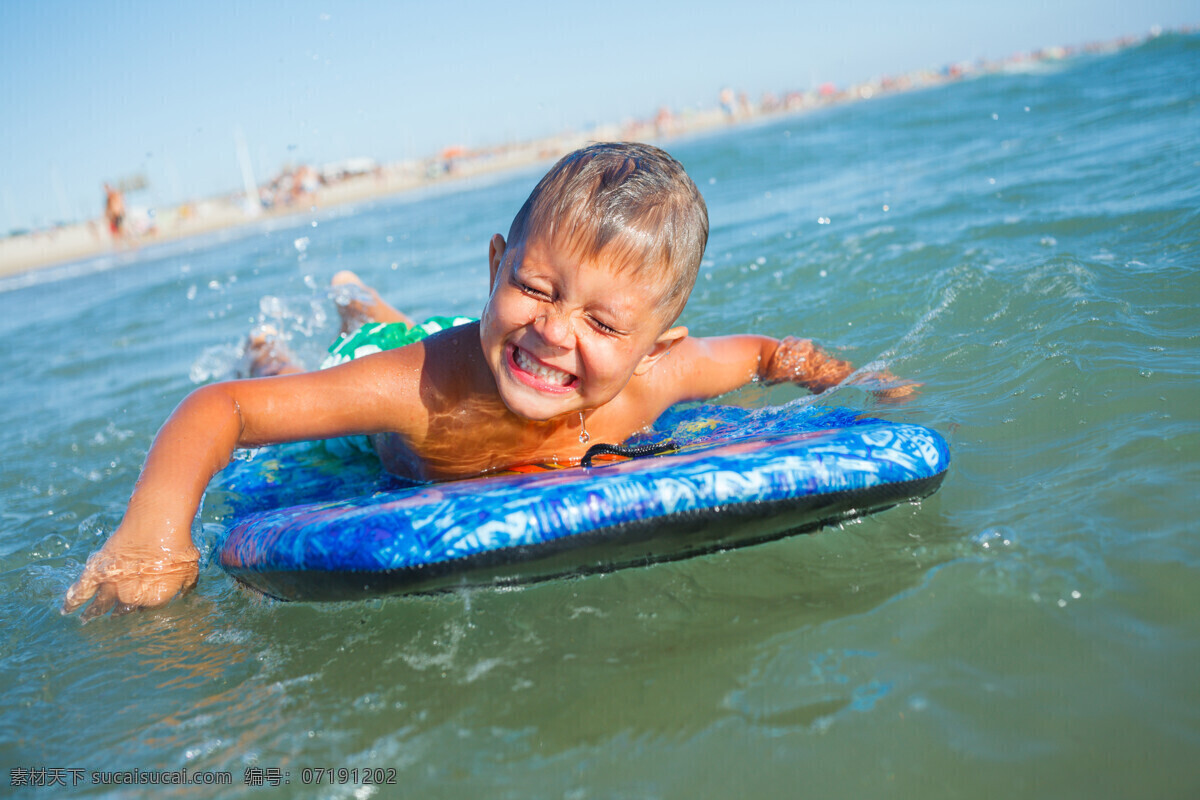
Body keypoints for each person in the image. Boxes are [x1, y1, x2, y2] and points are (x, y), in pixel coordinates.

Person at [63, 142, 914, 620]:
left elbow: (767, 354)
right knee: (323, 355)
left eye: (604, 324)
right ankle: (327, 310)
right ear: (498, 264)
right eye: (536, 288)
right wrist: (151, 536)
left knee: (407, 326)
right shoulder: (416, 391)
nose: (556, 329)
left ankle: (358, 296)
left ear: (658, 343)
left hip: (483, 347)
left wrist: (855, 380)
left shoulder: (654, 381)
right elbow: (223, 411)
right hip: (426, 354)